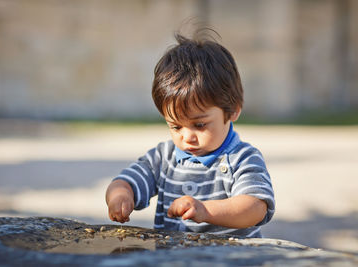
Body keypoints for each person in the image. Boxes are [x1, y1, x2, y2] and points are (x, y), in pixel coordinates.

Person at [105, 29, 275, 237]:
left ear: (233, 111)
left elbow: (255, 207)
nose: (187, 137)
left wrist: (205, 211)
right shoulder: (163, 157)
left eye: (200, 125)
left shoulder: (242, 158)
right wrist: (120, 196)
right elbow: (126, 181)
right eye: (176, 127)